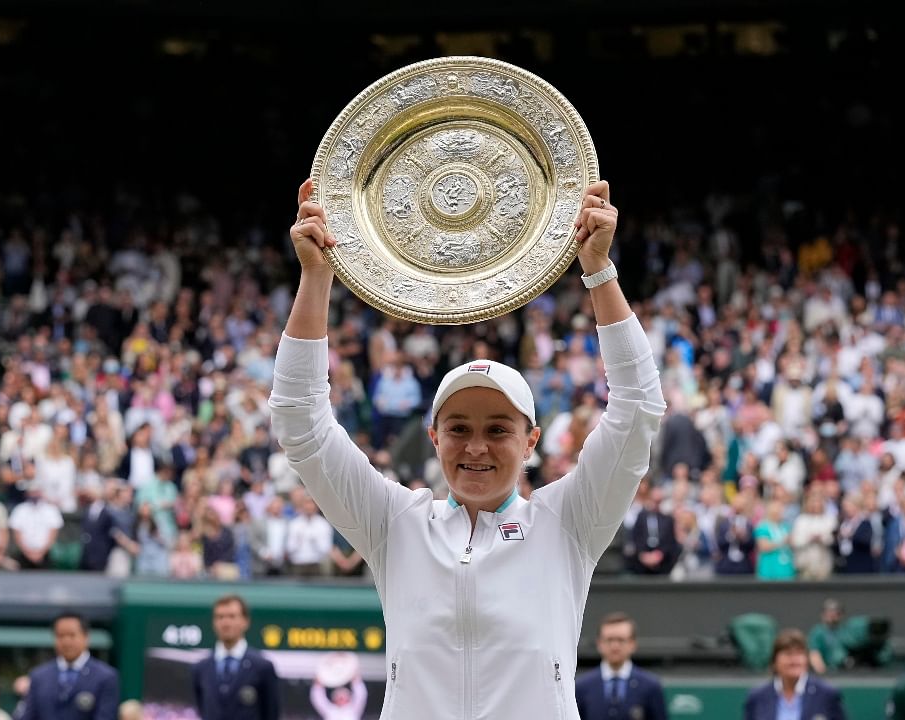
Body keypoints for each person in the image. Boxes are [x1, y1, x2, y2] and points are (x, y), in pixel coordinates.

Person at [269, 178, 664, 718]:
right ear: (434, 438)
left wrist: (599, 271)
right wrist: (316, 277)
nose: (476, 446)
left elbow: (638, 407)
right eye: (458, 428)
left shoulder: (569, 521)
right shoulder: (396, 523)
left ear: (531, 441)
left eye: (498, 429)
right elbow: (300, 421)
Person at [191, 595, 280, 720]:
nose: (226, 623)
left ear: (245, 621)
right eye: (220, 617)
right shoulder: (201, 668)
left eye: (232, 616)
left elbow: (271, 713)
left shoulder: (262, 667)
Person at [18, 613, 119, 720]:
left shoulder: (105, 677)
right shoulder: (39, 676)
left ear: (86, 637)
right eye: (60, 636)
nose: (66, 642)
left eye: (72, 635)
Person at [574, 613, 666, 720]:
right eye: (609, 640)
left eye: (621, 640)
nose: (615, 646)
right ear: (599, 643)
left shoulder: (651, 687)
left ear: (633, 644)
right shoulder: (581, 687)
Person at [743, 628, 846, 720]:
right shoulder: (757, 696)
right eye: (788, 654)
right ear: (774, 661)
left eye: (799, 653)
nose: (794, 660)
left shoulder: (826, 694)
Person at [807, 599, 846, 675]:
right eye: (829, 613)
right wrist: (824, 674)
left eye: (836, 613)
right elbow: (814, 654)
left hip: (847, 672)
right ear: (823, 615)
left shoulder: (845, 630)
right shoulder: (818, 632)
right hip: (828, 673)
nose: (832, 616)